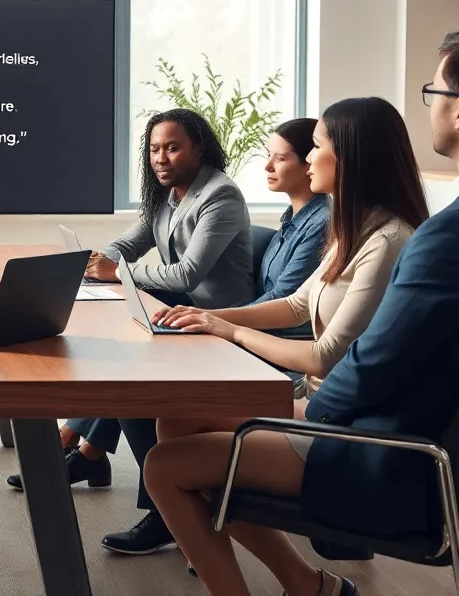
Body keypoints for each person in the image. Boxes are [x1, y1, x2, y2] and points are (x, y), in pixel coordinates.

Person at [143, 25, 459, 596]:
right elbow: (316, 314)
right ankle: (310, 586)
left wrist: (297, 407)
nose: (306, 157)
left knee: (163, 466)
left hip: (380, 450)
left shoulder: (449, 232)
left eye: (433, 93)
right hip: (401, 427)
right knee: (178, 421)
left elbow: (365, 364)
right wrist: (221, 324)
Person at [8, 108, 254, 556]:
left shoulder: (220, 195)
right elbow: (129, 242)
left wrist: (119, 271)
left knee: (126, 374)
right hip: (177, 309)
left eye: (172, 147)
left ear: (199, 148)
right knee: (114, 354)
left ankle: (156, 503)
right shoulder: (166, 195)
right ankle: (88, 453)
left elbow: (188, 273)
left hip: (216, 320)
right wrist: (100, 259)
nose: (161, 157)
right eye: (155, 149)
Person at [154, 97, 428, 417]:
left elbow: (324, 357)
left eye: (316, 147)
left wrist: (231, 330)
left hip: (336, 411)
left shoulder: (385, 241)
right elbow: (296, 305)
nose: (309, 158)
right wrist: (207, 317)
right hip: (315, 395)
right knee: (174, 418)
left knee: (178, 422)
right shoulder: (356, 230)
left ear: (351, 157)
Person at [251, 118, 329, 306]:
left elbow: (283, 298)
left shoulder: (322, 223)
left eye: (280, 158)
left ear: (309, 162)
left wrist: (216, 318)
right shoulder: (290, 220)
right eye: (268, 155)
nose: (268, 166)